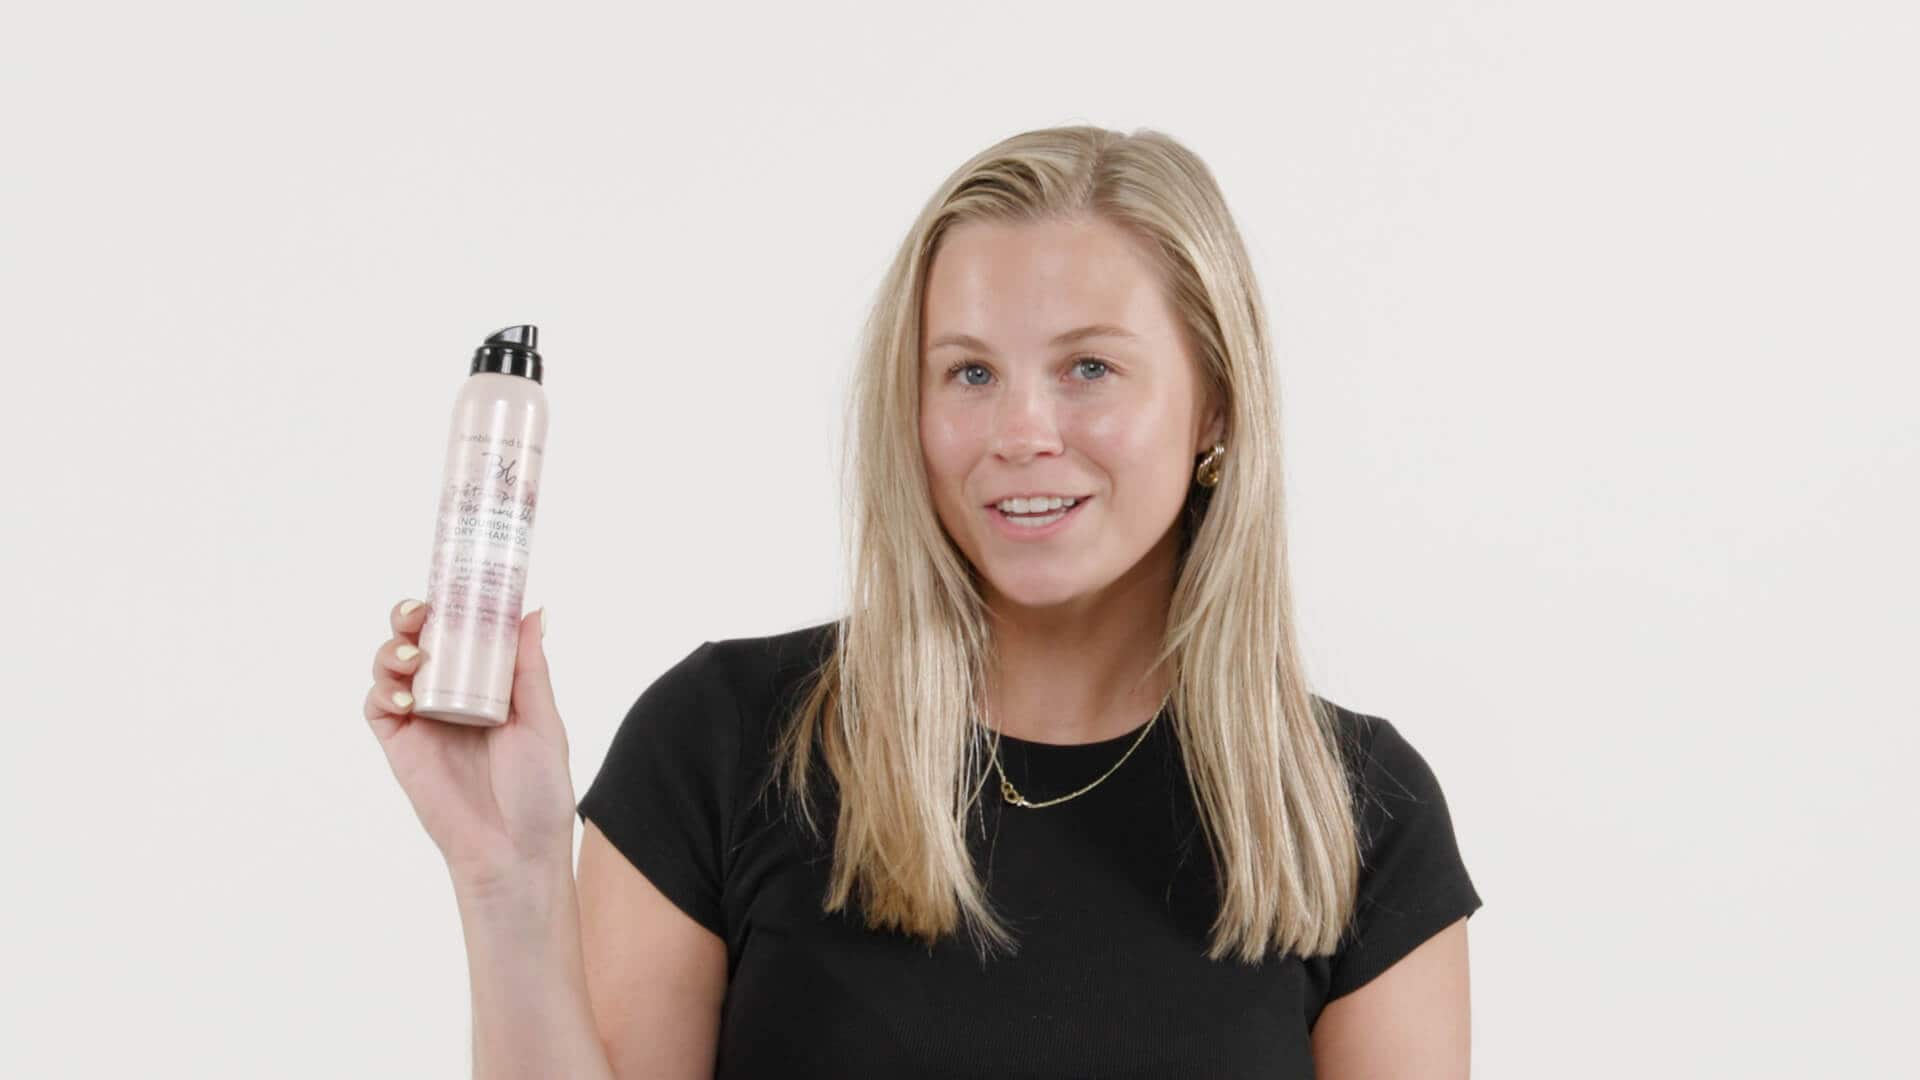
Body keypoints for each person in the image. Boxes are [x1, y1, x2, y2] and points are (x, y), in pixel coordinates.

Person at [364, 125, 1483, 1079]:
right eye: (970, 372)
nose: (1021, 432)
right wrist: (507, 879)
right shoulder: (722, 743)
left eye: (1089, 368)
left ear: (1216, 405)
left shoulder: (1354, 816)